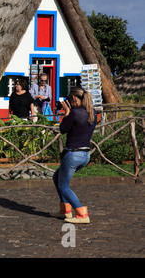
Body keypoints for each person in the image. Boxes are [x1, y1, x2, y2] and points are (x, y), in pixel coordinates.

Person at [50, 87, 97, 224]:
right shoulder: (92, 112)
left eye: (70, 100)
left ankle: (81, 213)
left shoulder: (74, 113)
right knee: (57, 176)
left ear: (74, 99)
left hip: (73, 155)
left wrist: (67, 113)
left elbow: (63, 129)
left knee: (64, 186)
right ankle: (65, 210)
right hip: (85, 155)